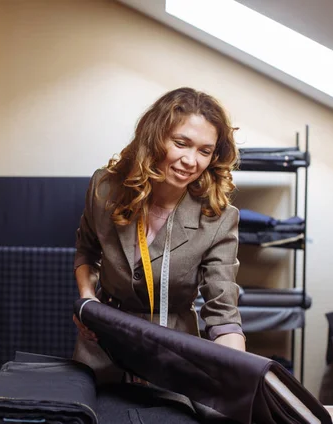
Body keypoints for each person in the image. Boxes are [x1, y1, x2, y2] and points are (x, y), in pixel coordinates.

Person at [72, 87, 245, 384]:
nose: (191, 160)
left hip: (173, 354)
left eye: (204, 151)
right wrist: (88, 303)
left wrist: (239, 372)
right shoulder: (104, 188)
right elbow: (87, 251)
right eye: (181, 143)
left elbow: (223, 310)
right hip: (102, 343)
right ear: (155, 137)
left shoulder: (218, 218)